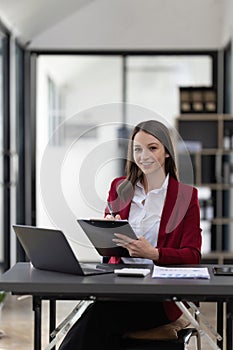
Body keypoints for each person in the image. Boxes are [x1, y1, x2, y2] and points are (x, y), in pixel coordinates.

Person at [59, 119, 202, 350]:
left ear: (167, 152)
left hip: (161, 297)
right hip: (120, 287)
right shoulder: (119, 188)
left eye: (152, 148)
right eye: (137, 149)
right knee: (100, 317)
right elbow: (107, 252)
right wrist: (105, 230)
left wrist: (154, 253)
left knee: (98, 318)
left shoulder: (185, 197)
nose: (143, 155)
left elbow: (192, 256)